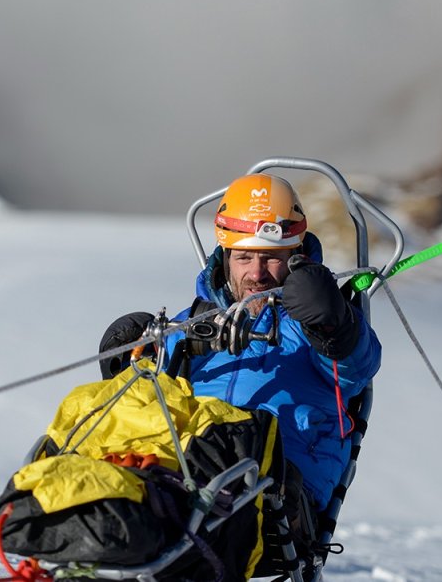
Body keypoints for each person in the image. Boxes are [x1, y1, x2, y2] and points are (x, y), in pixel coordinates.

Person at [98, 173, 382, 517]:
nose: (257, 274)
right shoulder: (196, 320)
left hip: (275, 489)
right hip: (181, 469)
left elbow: (356, 369)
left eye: (271, 257)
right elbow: (153, 392)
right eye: (244, 258)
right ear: (225, 256)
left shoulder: (318, 319)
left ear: (296, 253)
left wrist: (331, 324)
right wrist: (133, 360)